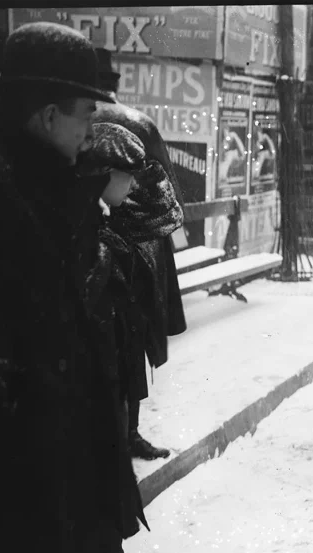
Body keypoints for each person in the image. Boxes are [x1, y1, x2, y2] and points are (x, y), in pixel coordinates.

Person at [0, 22, 140, 553]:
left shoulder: (48, 184)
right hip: (20, 478)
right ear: (48, 116)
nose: (91, 130)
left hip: (62, 470)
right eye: (85, 115)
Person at [78, 122, 186, 553]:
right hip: (88, 379)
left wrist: (149, 170)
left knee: (100, 482)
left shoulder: (109, 216)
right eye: (129, 175)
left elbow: (166, 214)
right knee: (95, 483)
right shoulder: (85, 223)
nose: (136, 184)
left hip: (108, 369)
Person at [92, 48, 188, 461]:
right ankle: (127, 434)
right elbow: (170, 196)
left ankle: (112, 437)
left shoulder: (74, 126)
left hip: (95, 249)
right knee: (131, 348)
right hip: (138, 254)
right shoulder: (137, 124)